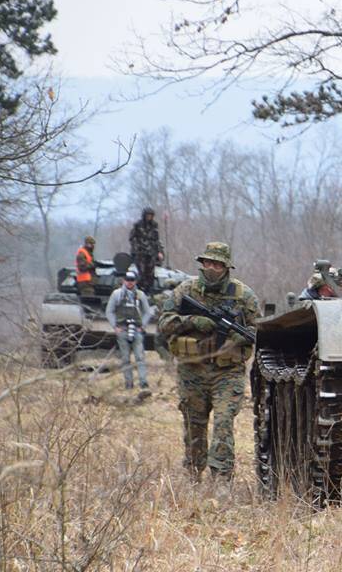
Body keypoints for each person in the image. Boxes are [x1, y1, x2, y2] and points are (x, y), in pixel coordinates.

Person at [158, 242, 259, 482]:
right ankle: (193, 474)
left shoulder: (243, 295)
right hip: (192, 371)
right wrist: (192, 321)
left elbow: (258, 328)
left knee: (223, 422)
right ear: (202, 263)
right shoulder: (185, 290)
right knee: (194, 424)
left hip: (227, 372)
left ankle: (221, 478)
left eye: (218, 264)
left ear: (226, 267)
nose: (212, 268)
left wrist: (242, 336)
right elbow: (164, 323)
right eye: (208, 263)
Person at [105, 270, 153, 392]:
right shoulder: (117, 294)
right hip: (122, 329)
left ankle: (143, 382)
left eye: (132, 280)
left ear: (135, 281)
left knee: (140, 357)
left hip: (137, 330)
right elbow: (109, 311)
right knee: (125, 358)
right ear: (124, 280)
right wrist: (115, 326)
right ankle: (128, 383)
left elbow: (148, 312)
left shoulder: (140, 295)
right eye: (127, 280)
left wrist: (143, 326)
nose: (130, 282)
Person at [129, 207, 164, 294]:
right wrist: (136, 249)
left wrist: (159, 251)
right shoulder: (138, 225)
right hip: (140, 252)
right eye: (148, 215)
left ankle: (149, 291)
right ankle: (140, 290)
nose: (149, 217)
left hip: (151, 252)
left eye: (151, 215)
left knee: (150, 274)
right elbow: (132, 238)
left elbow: (156, 239)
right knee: (141, 273)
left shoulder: (154, 225)